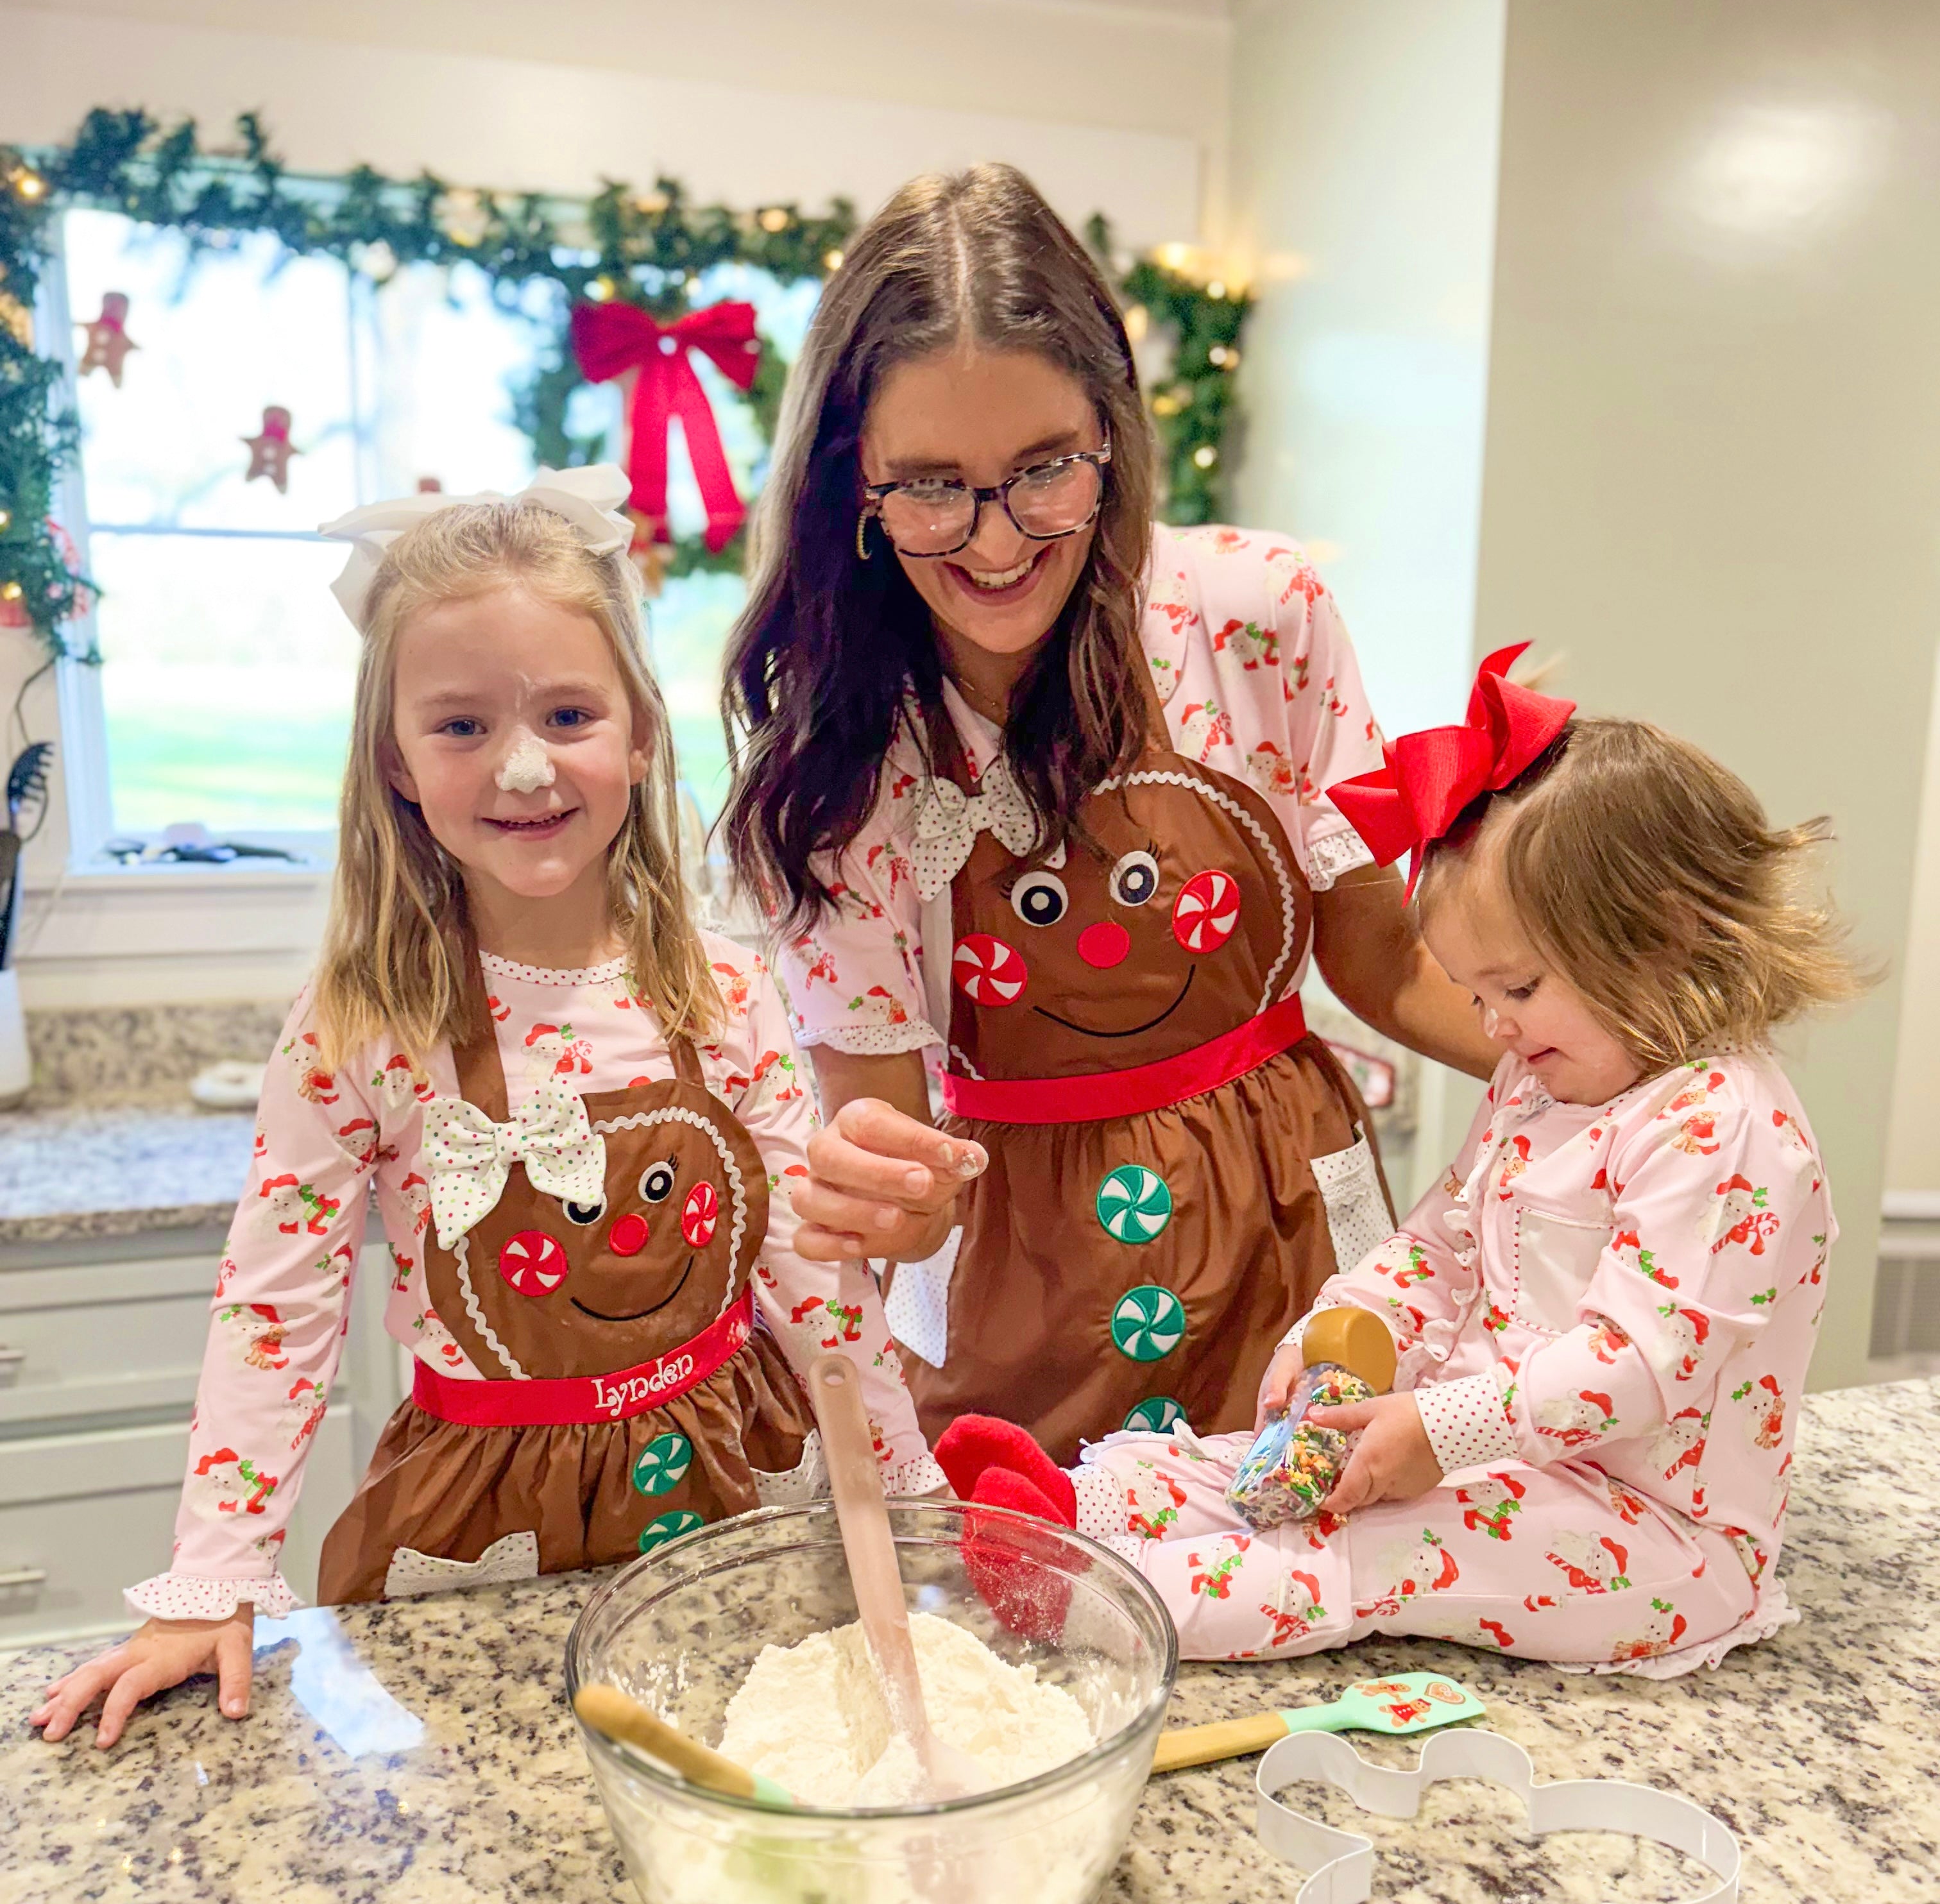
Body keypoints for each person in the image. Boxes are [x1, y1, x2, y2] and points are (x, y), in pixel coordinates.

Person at [35, 470, 937, 1750]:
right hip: (482, 1519)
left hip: (734, 1482)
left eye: (567, 712)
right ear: (397, 763)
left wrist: (899, 1483)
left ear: (636, 732)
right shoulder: (359, 1025)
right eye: (461, 726)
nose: (523, 765)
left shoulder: (722, 988)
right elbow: (274, 1309)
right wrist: (213, 1577)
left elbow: (805, 1265)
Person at [722, 162, 1496, 1461]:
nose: (995, 541)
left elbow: (1376, 949)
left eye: (1044, 470)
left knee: (1314, 1560)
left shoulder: (1256, 614)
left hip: (1293, 1217)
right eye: (929, 485)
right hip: (1016, 1277)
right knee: (1038, 1608)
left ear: (1112, 431)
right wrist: (887, 1199)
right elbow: (890, 1128)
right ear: (850, 480)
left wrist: (1599, 1056)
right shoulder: (837, 749)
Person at [940, 651, 1861, 1676]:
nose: (1492, 1027)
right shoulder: (1544, 1078)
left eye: (1515, 987)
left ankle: (1105, 1600)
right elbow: (1445, 1237)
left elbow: (1642, 1364)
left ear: (1664, 937)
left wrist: (1441, 1428)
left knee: (1385, 1546)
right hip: (1499, 1456)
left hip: (1653, 1538)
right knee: (1279, 1463)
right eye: (1477, 996)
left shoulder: (1726, 1131)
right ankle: (1079, 1509)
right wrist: (1362, 1317)